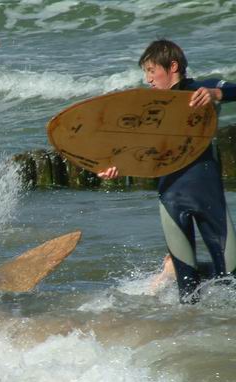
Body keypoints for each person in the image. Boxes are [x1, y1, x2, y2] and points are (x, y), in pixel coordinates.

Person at [99, 39, 236, 303]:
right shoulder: (149, 108)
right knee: (187, 291)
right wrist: (115, 167)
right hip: (170, 200)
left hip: (209, 198)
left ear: (172, 66)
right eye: (146, 73)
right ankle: (186, 337)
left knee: (232, 280)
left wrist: (216, 95)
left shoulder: (200, 90)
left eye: (152, 71)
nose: (148, 79)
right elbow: (133, 148)